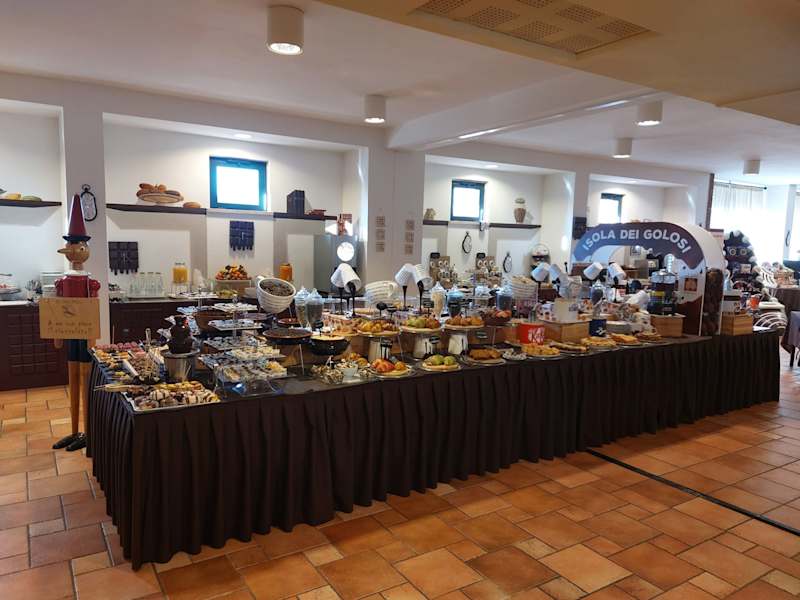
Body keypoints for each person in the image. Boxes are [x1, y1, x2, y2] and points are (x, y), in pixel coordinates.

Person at [52, 194, 100, 452]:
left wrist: (91, 338)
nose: (76, 252)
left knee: (84, 377)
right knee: (72, 376)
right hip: (71, 334)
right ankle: (73, 430)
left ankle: (89, 431)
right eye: (72, 246)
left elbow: (92, 310)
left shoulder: (90, 282)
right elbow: (58, 309)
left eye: (80, 246)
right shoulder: (63, 281)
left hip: (84, 336)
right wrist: (58, 335)